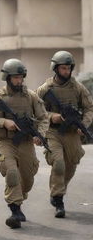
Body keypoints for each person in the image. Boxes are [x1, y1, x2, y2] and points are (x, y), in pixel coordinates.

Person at [0, 59, 49, 229]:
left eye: (21, 77)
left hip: (26, 141)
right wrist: (3, 122)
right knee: (12, 172)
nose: (19, 81)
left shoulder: (31, 96)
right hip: (6, 142)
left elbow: (44, 118)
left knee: (27, 178)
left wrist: (40, 135)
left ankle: (19, 200)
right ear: (7, 78)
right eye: (15, 77)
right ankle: (15, 210)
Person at [36, 50, 93, 218]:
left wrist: (83, 124)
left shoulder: (77, 88)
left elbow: (89, 108)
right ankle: (58, 198)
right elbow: (37, 112)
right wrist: (54, 117)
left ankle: (58, 190)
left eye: (68, 68)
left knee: (72, 163)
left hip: (72, 132)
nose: (66, 72)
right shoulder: (45, 89)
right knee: (59, 163)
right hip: (53, 132)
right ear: (55, 68)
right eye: (63, 68)